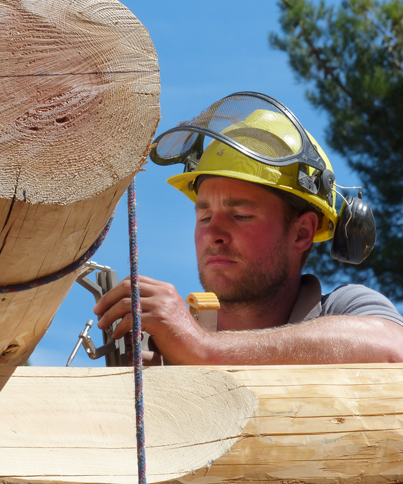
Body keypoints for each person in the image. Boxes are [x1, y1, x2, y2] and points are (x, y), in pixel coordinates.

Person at [93, 92, 403, 365]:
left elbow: (394, 347)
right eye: (204, 217)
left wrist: (203, 350)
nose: (214, 234)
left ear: (302, 233)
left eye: (240, 215)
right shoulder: (170, 347)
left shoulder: (343, 309)